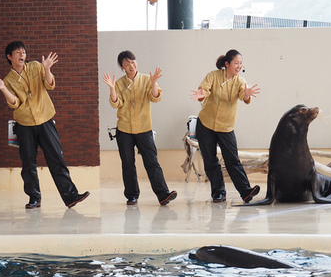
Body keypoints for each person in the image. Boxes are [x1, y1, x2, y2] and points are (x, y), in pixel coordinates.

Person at [0, 41, 89, 210]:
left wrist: (47, 69)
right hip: (24, 124)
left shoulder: (35, 66)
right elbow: (15, 103)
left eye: (24, 52)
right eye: (17, 52)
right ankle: (34, 198)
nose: (22, 55)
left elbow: (50, 84)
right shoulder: (8, 80)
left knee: (57, 158)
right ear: (9, 57)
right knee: (28, 164)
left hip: (45, 120)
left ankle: (70, 196)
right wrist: (3, 89)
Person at [102, 50, 177, 206]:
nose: (131, 65)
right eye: (126, 64)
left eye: (133, 61)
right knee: (128, 164)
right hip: (124, 130)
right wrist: (111, 88)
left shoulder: (146, 79)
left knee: (152, 162)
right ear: (122, 67)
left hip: (144, 128)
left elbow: (155, 98)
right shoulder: (120, 83)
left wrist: (154, 82)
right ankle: (132, 196)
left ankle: (163, 194)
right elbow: (116, 103)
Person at [190, 49, 261, 203]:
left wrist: (247, 93)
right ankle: (218, 193)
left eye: (241, 64)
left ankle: (246, 191)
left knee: (233, 160)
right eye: (236, 63)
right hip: (206, 124)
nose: (239, 66)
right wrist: (201, 95)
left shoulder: (240, 81)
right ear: (227, 64)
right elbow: (204, 90)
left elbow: (244, 96)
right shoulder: (213, 76)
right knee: (210, 160)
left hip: (226, 127)